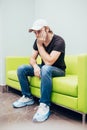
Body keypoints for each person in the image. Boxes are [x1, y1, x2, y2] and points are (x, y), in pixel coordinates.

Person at [12, 19, 66, 122]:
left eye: (39, 31)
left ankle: (44, 104)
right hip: (44, 68)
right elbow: (31, 59)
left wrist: (40, 45)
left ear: (47, 29)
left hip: (58, 70)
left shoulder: (59, 41)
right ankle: (27, 97)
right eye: (34, 32)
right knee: (21, 69)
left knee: (45, 68)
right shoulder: (37, 41)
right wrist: (36, 67)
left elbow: (49, 62)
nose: (36, 35)